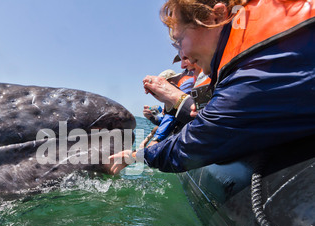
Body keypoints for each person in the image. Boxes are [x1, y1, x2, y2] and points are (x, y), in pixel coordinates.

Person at [109, 0, 315, 174]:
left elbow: (198, 143)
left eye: (179, 41)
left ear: (215, 17)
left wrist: (135, 156)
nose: (183, 56)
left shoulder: (254, 70)